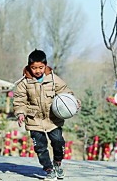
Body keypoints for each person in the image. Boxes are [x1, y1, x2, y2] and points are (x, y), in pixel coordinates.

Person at [13, 49, 81, 181]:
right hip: (34, 120)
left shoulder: (54, 80)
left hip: (53, 119)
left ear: (45, 66)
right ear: (29, 67)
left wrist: (73, 101)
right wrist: (20, 113)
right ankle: (48, 169)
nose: (37, 71)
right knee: (40, 146)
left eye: (40, 67)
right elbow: (19, 100)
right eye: (34, 68)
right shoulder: (24, 83)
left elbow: (66, 92)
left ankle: (57, 162)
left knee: (58, 141)